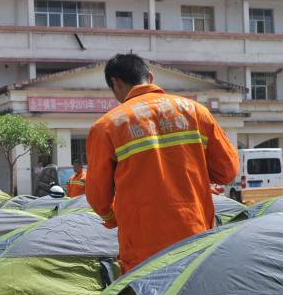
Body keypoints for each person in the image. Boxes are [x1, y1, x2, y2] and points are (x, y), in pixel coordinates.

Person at [86, 53, 239, 273]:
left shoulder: (106, 127)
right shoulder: (196, 111)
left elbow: (98, 198)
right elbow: (228, 171)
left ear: (116, 83)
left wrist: (112, 219)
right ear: (150, 76)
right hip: (195, 236)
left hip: (142, 247)